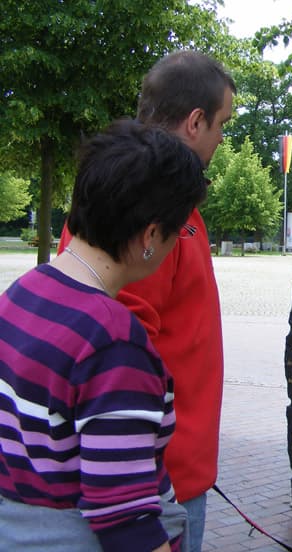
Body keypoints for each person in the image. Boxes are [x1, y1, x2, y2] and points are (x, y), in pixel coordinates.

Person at [0, 120, 208, 551]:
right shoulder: (112, 342)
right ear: (151, 235)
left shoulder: (24, 291)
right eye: (177, 231)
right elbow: (124, 520)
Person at [58, 50, 235, 552]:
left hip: (172, 474)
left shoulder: (161, 199)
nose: (223, 138)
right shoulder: (140, 211)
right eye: (221, 123)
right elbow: (115, 358)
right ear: (196, 121)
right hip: (152, 487)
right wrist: (147, 490)